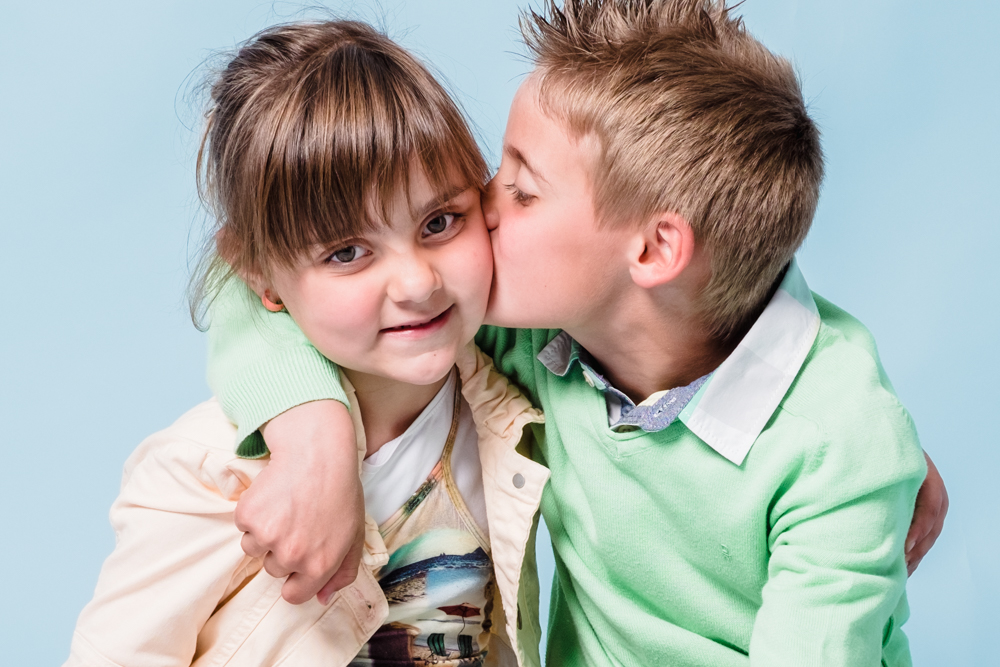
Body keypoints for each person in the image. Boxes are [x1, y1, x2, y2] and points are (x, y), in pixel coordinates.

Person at [205, 1, 948, 665]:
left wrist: (872, 454)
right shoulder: (544, 342)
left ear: (653, 251)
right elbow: (262, 289)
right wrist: (315, 439)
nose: (479, 204)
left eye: (523, 189)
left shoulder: (837, 444)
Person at [65, 19, 550, 666]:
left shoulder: (510, 394)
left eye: (440, 221)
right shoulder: (207, 477)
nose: (417, 282)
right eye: (347, 252)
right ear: (259, 274)